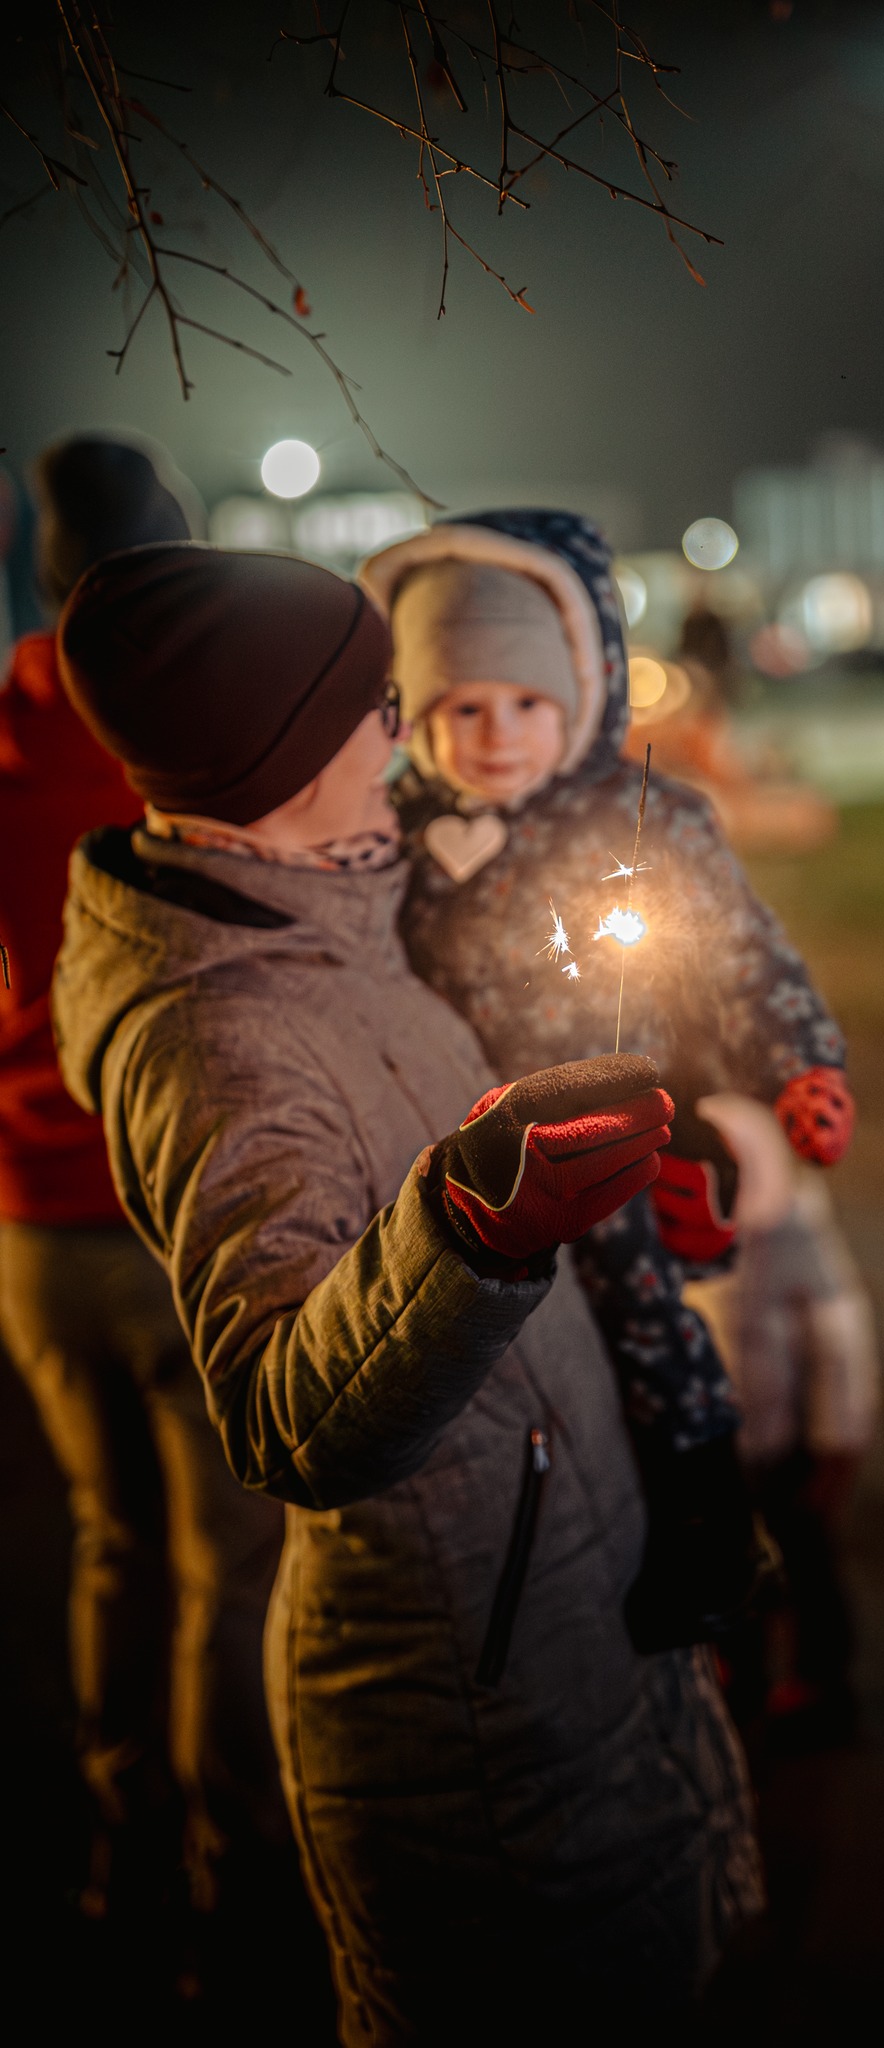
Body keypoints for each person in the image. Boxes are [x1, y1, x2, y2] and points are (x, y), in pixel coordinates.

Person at [51, 541, 762, 2041]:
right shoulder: (219, 1035)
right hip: (469, 1705)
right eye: (376, 702)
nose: (406, 724)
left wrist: (632, 1186)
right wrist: (474, 1228)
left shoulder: (336, 911)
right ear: (291, 748)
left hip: (565, 1617)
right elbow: (286, 1420)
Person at [358, 510, 856, 1649]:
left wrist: (798, 1064)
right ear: (413, 713)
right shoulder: (390, 830)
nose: (496, 734)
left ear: (580, 689)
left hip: (606, 1125)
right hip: (459, 1147)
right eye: (462, 706)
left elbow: (743, 954)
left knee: (646, 1316)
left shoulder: (639, 819)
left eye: (527, 703)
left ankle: (710, 1526)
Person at [0, 435, 287, 1922]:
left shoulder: (5, 723)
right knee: (225, 1581)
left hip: (34, 1222)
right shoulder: (201, 731)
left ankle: (120, 1851)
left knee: (108, 1547)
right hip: (182, 1211)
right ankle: (226, 1890)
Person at [684, 1095, 880, 1751]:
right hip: (716, 1441)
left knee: (806, 1558)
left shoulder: (797, 1240)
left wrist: (836, 1447)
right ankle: (740, 1675)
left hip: (785, 1440)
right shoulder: (680, 1226)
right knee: (727, 1564)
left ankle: (820, 1680)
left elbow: (839, 1346)